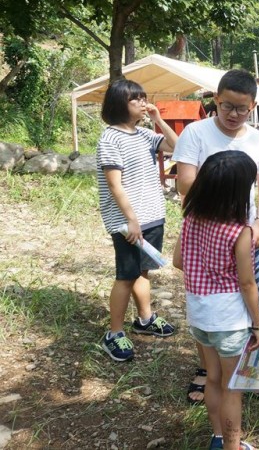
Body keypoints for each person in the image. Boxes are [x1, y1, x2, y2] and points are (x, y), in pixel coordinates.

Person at [172, 69, 259, 405]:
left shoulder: (257, 139)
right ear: (215, 100)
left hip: (245, 233)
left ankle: (248, 366)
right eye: (227, 106)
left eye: (241, 108)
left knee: (250, 296)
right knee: (206, 301)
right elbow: (185, 183)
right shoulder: (195, 133)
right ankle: (208, 369)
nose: (233, 114)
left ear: (252, 106)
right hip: (207, 230)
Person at [172, 150, 259, 450]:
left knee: (212, 378)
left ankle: (218, 437)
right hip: (229, 320)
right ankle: (232, 446)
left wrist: (204, 270)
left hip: (199, 314)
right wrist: (258, 324)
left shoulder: (191, 218)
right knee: (231, 388)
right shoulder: (240, 232)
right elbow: (247, 283)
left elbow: (178, 261)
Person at [95, 79, 178, 362]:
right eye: (137, 99)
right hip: (127, 221)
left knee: (142, 271)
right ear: (120, 104)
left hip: (152, 214)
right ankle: (114, 333)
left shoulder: (144, 134)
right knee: (126, 275)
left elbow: (177, 147)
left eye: (144, 98)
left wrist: (158, 120)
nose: (144, 103)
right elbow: (114, 185)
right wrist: (131, 220)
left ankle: (145, 319)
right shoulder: (110, 138)